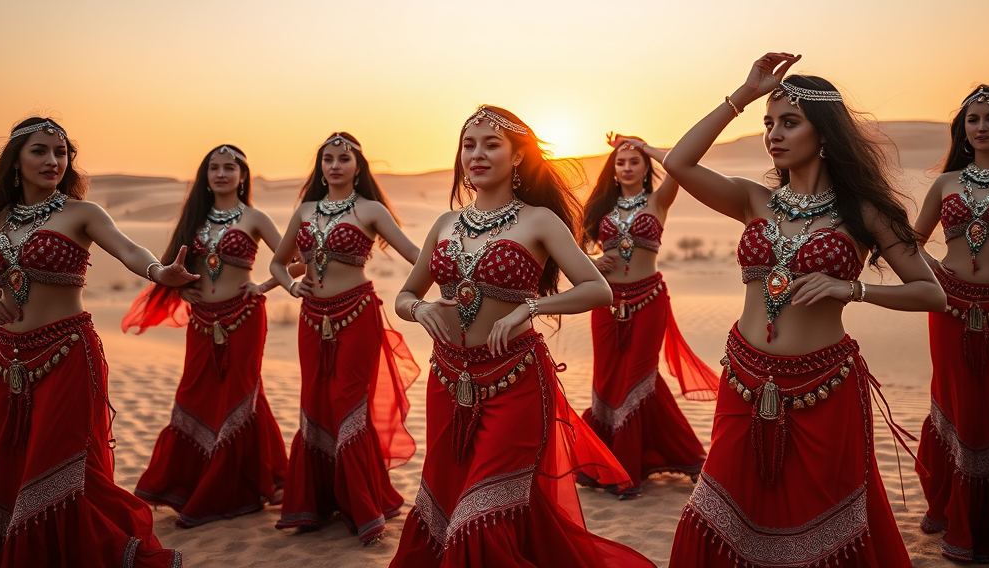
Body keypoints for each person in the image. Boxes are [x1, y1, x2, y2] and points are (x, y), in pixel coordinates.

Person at [638, 53, 945, 567]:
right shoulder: (754, 201)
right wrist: (745, 93)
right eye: (768, 124)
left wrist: (851, 290)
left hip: (823, 389)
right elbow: (678, 163)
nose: (773, 134)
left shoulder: (865, 213)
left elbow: (931, 293)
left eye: (789, 122)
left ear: (823, 134)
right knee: (718, 513)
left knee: (819, 527)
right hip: (743, 380)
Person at [390, 106, 655, 567]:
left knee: (482, 510)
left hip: (514, 382)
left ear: (517, 157)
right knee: (448, 500)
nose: (477, 154)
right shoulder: (444, 223)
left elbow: (598, 289)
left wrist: (529, 308)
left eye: (492, 145)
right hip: (448, 382)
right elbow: (406, 294)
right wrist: (420, 307)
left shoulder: (540, 221)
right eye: (469, 145)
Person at [0, 117, 189, 566]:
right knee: (6, 468)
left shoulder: (82, 213)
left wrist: (159, 272)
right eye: (40, 151)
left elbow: (129, 249)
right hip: (6, 363)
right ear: (16, 159)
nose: (52, 161)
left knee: (57, 467)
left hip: (65, 356)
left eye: (61, 153)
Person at [121, 145, 289, 527]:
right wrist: (180, 291)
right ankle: (232, 478)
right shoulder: (195, 218)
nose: (222, 174)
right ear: (206, 175)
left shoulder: (255, 217)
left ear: (243, 175)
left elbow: (290, 258)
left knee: (240, 391)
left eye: (230, 167)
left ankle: (231, 490)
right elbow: (173, 266)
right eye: (214, 167)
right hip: (201, 320)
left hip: (244, 317)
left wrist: (263, 285)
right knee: (195, 391)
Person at [269, 132, 420, 544]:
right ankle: (313, 503)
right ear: (320, 167)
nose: (335, 165)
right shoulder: (304, 211)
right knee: (315, 399)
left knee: (348, 401)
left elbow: (414, 254)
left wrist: (457, 267)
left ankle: (361, 505)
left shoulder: (371, 210)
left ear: (358, 166)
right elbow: (279, 263)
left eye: (344, 158)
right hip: (311, 319)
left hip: (356, 315)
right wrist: (288, 286)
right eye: (328, 158)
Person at [579, 134, 719, 498]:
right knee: (608, 380)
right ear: (612, 171)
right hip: (606, 303)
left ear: (646, 169)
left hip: (649, 299)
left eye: (634, 161)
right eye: (620, 163)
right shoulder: (600, 211)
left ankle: (631, 470)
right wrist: (593, 262)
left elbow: (676, 163)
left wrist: (644, 145)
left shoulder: (659, 201)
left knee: (639, 377)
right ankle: (608, 460)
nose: (626, 167)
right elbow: (568, 253)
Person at [913, 85, 989, 563]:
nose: (981, 127)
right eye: (972, 119)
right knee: (960, 406)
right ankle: (962, 522)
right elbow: (912, 242)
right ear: (963, 130)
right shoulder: (946, 182)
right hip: (950, 313)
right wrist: (934, 276)